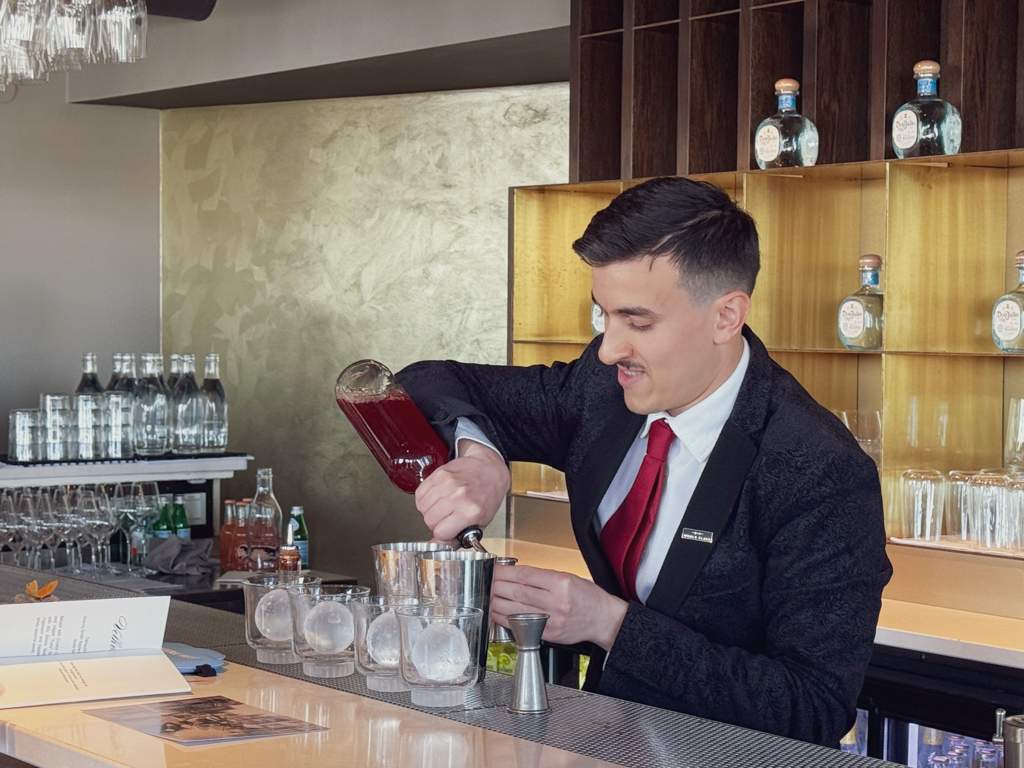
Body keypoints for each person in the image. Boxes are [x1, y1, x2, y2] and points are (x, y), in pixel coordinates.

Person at [396, 176, 892, 747]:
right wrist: (482, 455)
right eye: (604, 317)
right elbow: (422, 382)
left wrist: (609, 624)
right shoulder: (602, 390)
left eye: (638, 322)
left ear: (726, 316)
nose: (610, 349)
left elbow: (811, 708)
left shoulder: (819, 469)